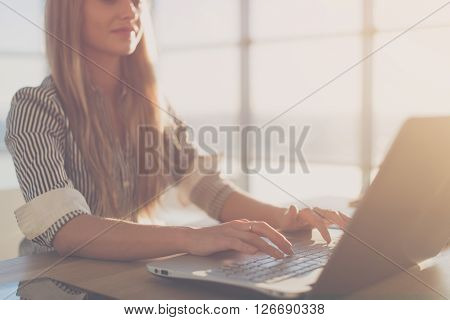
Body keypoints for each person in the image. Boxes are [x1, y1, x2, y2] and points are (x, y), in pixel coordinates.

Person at [5, 0, 349, 261]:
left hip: (128, 275)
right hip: (53, 287)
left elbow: (206, 188)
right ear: (68, 12)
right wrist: (190, 237)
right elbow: (66, 227)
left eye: (137, 1)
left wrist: (284, 218)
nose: (130, 11)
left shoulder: (153, 107)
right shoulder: (35, 108)